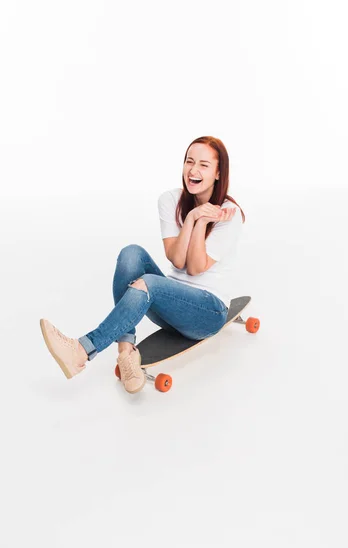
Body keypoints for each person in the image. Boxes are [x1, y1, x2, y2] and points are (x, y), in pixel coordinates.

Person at [40, 135, 246, 393]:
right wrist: (193, 216)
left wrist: (204, 221)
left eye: (204, 165)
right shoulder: (170, 200)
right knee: (131, 254)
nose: (193, 170)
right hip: (171, 305)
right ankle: (127, 356)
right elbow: (177, 259)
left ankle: (82, 350)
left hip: (208, 313)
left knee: (150, 284)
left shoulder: (229, 213)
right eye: (189, 161)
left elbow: (194, 268)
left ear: (218, 172)